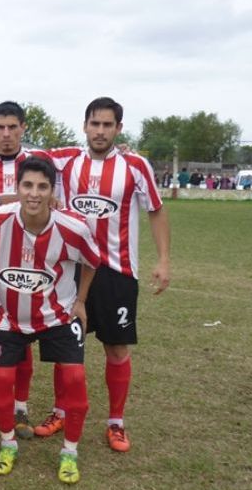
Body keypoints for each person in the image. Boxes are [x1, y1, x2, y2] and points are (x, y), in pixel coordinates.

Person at [54, 97, 170, 452]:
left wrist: (164, 260)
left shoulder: (135, 165)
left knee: (116, 347)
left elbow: (155, 210)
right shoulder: (66, 160)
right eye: (95, 124)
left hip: (117, 271)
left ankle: (116, 422)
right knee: (65, 346)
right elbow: (18, 153)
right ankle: (60, 411)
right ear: (85, 126)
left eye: (108, 125)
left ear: (119, 128)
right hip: (71, 269)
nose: (100, 131)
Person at [0, 156, 100, 484]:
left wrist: (82, 301)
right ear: (17, 188)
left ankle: (70, 451)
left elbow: (92, 261)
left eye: (42, 186)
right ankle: (7, 444)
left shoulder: (73, 228)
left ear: (52, 191)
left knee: (75, 380)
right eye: (27, 185)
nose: (34, 193)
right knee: (2, 382)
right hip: (10, 317)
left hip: (58, 315)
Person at [0, 101, 80, 438]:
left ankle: (20, 407)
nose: (6, 134)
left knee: (22, 340)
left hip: (28, 271)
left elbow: (81, 151)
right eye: (0, 127)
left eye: (13, 127)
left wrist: (125, 147)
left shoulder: (40, 160)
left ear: (23, 128)